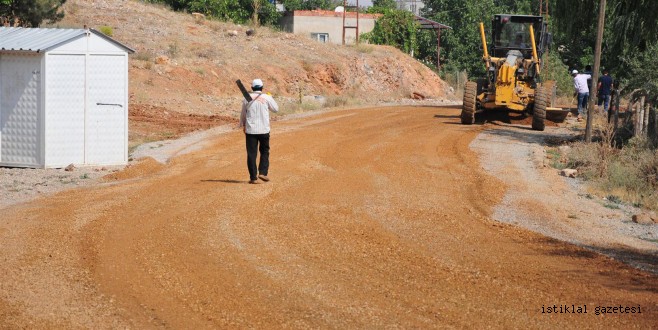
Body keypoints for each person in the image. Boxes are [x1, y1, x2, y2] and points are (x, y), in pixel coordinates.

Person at [239, 78, 279, 184]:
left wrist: (243, 125)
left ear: (252, 87)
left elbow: (243, 113)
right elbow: (276, 109)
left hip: (251, 130)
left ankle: (253, 178)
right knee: (264, 151)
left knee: (251, 154)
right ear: (262, 87)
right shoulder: (266, 97)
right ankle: (263, 172)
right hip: (264, 130)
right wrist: (271, 98)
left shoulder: (246, 98)